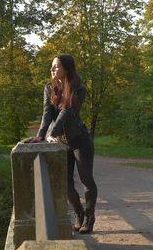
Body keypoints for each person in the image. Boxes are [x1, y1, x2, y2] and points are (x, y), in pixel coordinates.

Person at [23, 54, 98, 234]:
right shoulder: (49, 88)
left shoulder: (79, 89)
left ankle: (90, 217)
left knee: (87, 180)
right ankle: (79, 214)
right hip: (62, 142)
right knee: (65, 183)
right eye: (52, 66)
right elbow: (47, 114)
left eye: (56, 66)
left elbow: (67, 112)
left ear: (66, 69)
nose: (52, 69)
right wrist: (41, 135)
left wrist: (53, 133)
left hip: (80, 140)